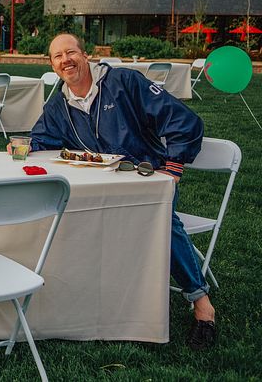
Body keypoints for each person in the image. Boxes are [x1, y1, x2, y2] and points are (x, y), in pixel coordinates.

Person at [23, 33, 216, 349]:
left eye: (71, 52)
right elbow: (43, 138)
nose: (65, 60)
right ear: (52, 65)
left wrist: (174, 165)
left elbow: (183, 120)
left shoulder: (124, 82)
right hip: (97, 189)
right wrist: (26, 146)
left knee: (162, 221)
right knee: (57, 212)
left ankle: (201, 304)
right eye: (57, 56)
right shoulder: (59, 103)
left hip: (145, 177)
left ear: (86, 56)